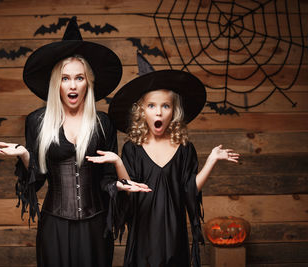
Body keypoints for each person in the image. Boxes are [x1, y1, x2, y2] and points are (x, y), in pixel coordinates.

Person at [0, 18, 149, 267]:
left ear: (88, 83)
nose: (72, 85)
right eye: (65, 78)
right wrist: (24, 154)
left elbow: (106, 178)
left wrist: (121, 185)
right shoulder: (38, 121)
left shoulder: (102, 123)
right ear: (56, 84)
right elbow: (38, 178)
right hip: (55, 225)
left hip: (96, 225)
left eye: (79, 78)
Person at [87, 52, 239, 267]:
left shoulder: (185, 149)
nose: (158, 112)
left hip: (174, 235)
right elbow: (130, 191)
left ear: (173, 111)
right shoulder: (133, 149)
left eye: (165, 106)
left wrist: (211, 161)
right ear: (142, 111)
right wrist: (118, 163)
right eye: (151, 106)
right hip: (143, 234)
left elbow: (189, 190)